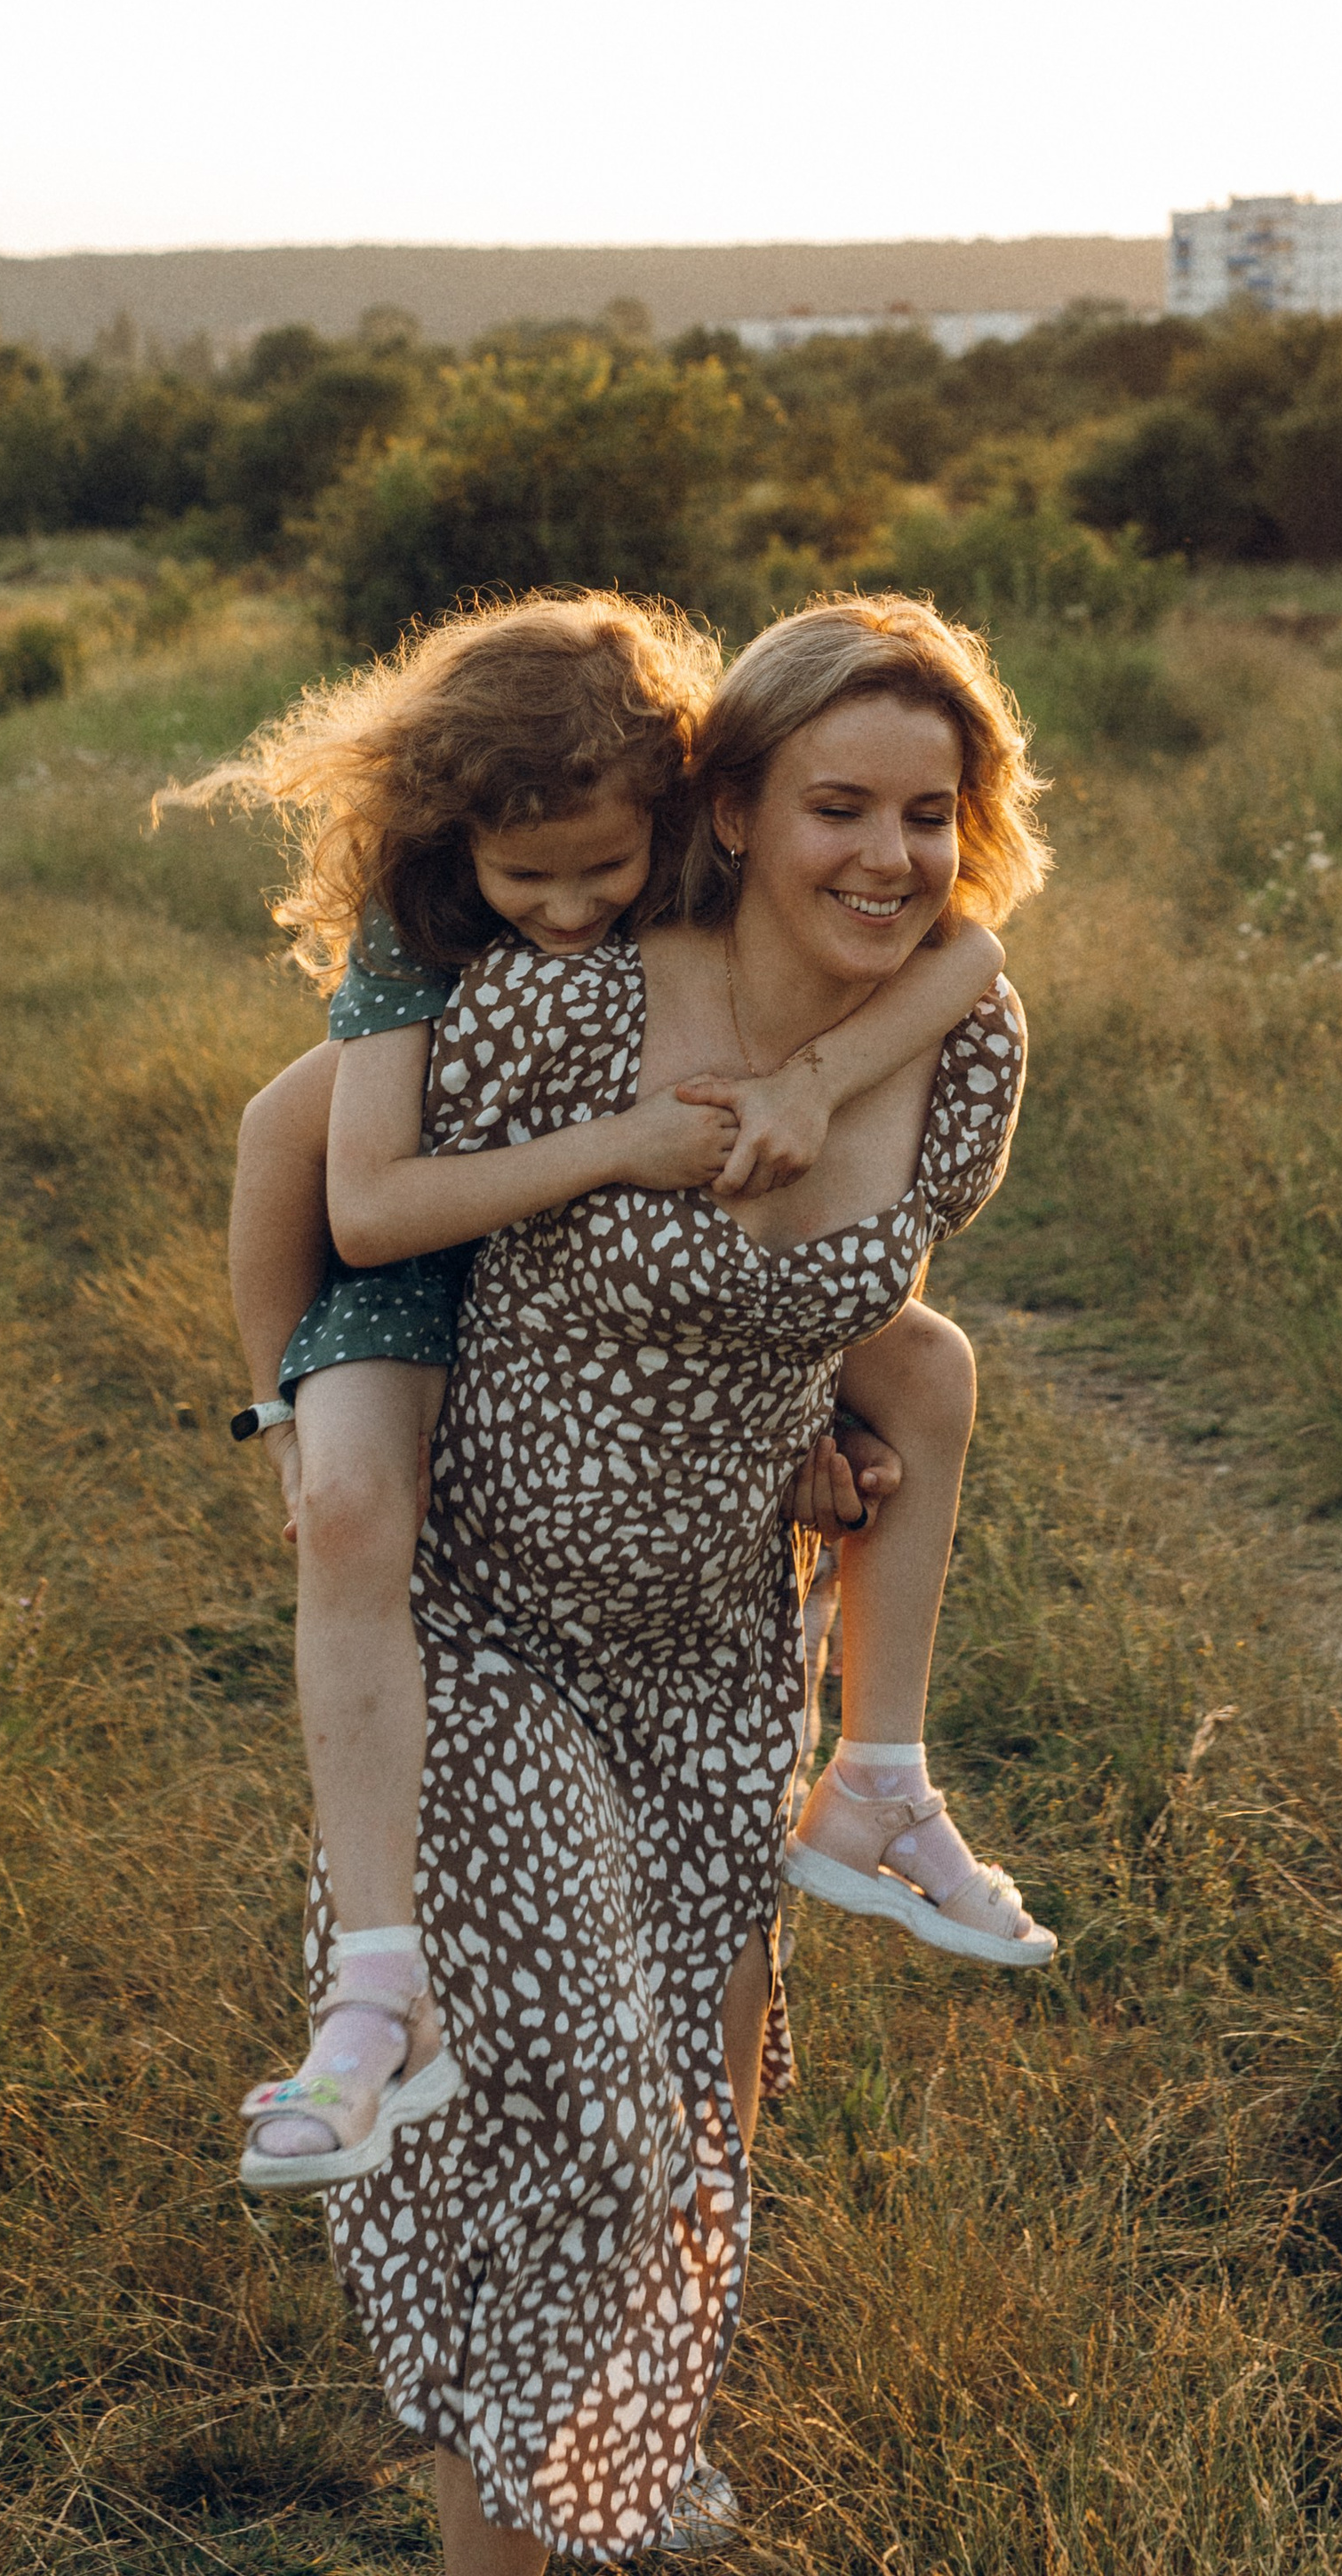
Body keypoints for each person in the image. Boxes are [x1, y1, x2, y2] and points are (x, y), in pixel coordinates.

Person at [318, 590, 1044, 2571]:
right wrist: (309, 1435)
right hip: (487, 1636)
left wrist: (816, 1422)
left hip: (724, 1656)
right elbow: (337, 1183)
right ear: (729, 801)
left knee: (689, 2142)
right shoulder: (564, 1008)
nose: (887, 856)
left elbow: (870, 1311)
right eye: (838, 805)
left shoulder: (959, 1052)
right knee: (568, 2112)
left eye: (928, 809)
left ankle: (611, 2491)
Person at [164, 592, 1044, 2205]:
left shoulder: (838, 970)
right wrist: (282, 1408)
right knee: (354, 1512)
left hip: (681, 1551)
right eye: (532, 877)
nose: (568, 905)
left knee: (925, 1359)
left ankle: (884, 1777)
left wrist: (800, 1422)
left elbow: (969, 947)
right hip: (405, 1275)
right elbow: (318, 1172)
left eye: (600, 867)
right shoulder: (444, 949)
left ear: (661, 815)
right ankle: (375, 1978)